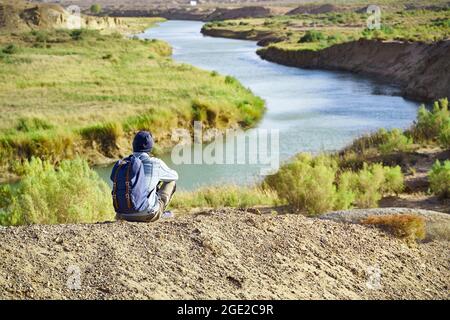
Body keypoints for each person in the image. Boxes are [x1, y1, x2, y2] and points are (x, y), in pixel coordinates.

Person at [115, 131, 178, 222]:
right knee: (171, 182)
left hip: (122, 215)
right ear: (150, 147)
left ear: (133, 146)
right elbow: (174, 176)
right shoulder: (155, 163)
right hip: (147, 215)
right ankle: (160, 212)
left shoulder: (123, 163)